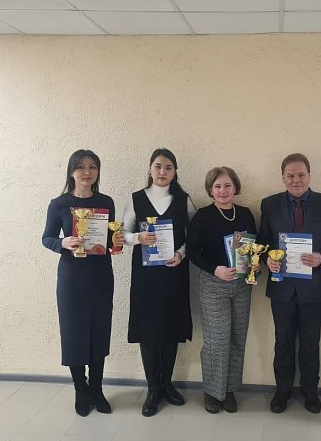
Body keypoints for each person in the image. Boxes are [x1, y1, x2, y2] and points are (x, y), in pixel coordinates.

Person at [257, 153, 321, 414]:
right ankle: (282, 391)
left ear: (309, 176)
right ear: (283, 178)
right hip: (281, 286)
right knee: (282, 341)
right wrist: (267, 261)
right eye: (291, 176)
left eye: (301, 175)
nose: (296, 180)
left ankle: (310, 392)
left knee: (310, 343)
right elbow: (262, 242)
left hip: (314, 287)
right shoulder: (269, 204)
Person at [42, 149, 117, 417]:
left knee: (99, 331)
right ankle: (80, 390)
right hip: (72, 279)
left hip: (100, 276)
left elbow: (108, 239)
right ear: (71, 171)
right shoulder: (59, 204)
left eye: (92, 166)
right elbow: (47, 238)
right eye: (81, 166)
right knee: (74, 333)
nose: (87, 172)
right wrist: (63, 242)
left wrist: (116, 242)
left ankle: (97, 389)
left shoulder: (106, 202)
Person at [122, 148, 196, 417]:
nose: (162, 172)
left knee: (171, 327)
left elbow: (195, 235)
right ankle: (153, 390)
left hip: (174, 272)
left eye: (168, 167)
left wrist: (182, 253)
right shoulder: (136, 199)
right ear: (150, 169)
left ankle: (167, 385)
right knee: (149, 329)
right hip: (146, 276)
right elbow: (122, 233)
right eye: (158, 166)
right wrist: (138, 239)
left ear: (175, 172)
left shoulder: (184, 200)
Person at [187, 167, 257, 414]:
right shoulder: (203, 216)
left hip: (241, 285)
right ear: (211, 190)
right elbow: (193, 251)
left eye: (227, 185)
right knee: (217, 340)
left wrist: (254, 266)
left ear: (235, 188)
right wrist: (215, 269)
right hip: (213, 284)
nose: (223, 191)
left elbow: (253, 247)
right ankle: (212, 391)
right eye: (217, 186)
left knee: (237, 337)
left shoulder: (245, 214)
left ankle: (228, 390)